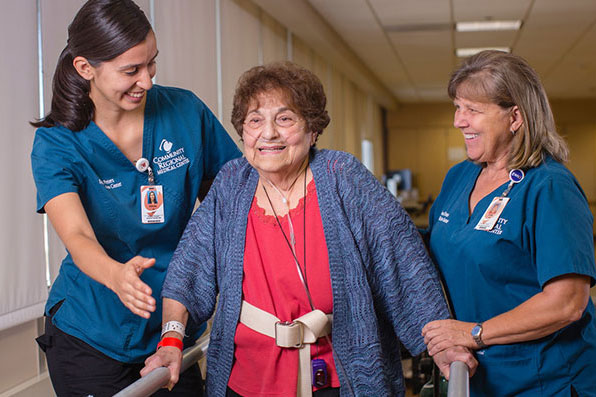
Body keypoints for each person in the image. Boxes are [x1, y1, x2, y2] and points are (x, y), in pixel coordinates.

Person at [141, 61, 476, 397]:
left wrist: (442, 342)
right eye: (255, 120)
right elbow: (188, 269)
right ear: (243, 131)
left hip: (339, 379)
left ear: (312, 129)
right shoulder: (231, 183)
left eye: (285, 119)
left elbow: (404, 264)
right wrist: (171, 340)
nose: (268, 133)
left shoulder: (344, 177)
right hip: (245, 380)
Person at [30, 0, 241, 395]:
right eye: (131, 70)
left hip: (171, 328)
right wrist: (117, 276)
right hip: (91, 330)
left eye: (151, 64)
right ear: (85, 68)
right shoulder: (57, 142)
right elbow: (76, 236)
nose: (146, 80)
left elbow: (235, 201)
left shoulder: (184, 111)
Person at [421, 50, 596, 396]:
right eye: (458, 107)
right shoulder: (459, 178)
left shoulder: (549, 187)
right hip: (480, 377)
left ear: (515, 117)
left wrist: (473, 332)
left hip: (545, 379)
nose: (459, 120)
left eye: (473, 110)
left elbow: (567, 303)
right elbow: (433, 251)